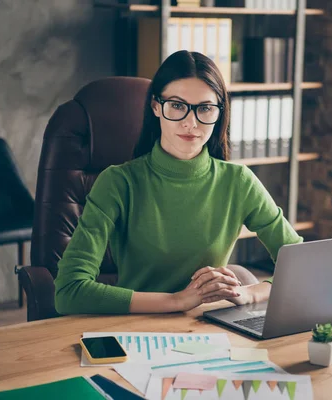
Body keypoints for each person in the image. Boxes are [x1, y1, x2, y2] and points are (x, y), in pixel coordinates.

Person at [54, 50, 303, 315]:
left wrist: (250, 293)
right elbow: (69, 291)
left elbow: (302, 267)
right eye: (177, 105)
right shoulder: (117, 182)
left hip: (209, 328)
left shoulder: (238, 181)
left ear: (220, 113)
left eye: (205, 108)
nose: (190, 123)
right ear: (155, 106)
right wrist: (177, 301)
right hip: (134, 327)